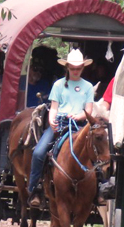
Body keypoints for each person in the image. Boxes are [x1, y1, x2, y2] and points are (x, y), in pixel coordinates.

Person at [27, 48, 96, 208]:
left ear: (82, 68)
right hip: (60, 123)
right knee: (38, 152)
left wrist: (78, 116)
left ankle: (99, 189)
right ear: (67, 68)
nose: (75, 71)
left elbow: (89, 110)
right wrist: (51, 120)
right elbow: (54, 107)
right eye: (73, 69)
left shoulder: (88, 87)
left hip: (79, 125)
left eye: (78, 69)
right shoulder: (58, 85)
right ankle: (35, 188)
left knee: (96, 154)